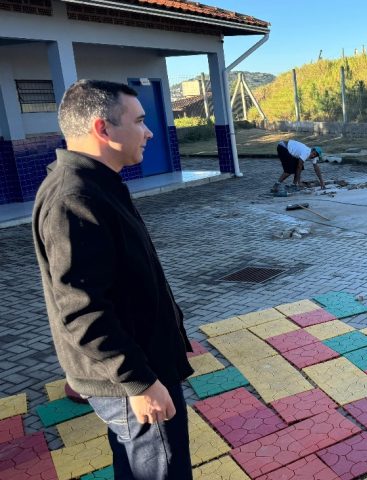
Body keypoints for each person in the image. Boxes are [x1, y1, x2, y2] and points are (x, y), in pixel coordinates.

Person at [32, 80, 193, 479]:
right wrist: (140, 382)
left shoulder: (97, 184)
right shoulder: (75, 198)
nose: (149, 132)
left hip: (139, 367)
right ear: (102, 128)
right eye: (139, 121)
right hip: (131, 378)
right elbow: (82, 311)